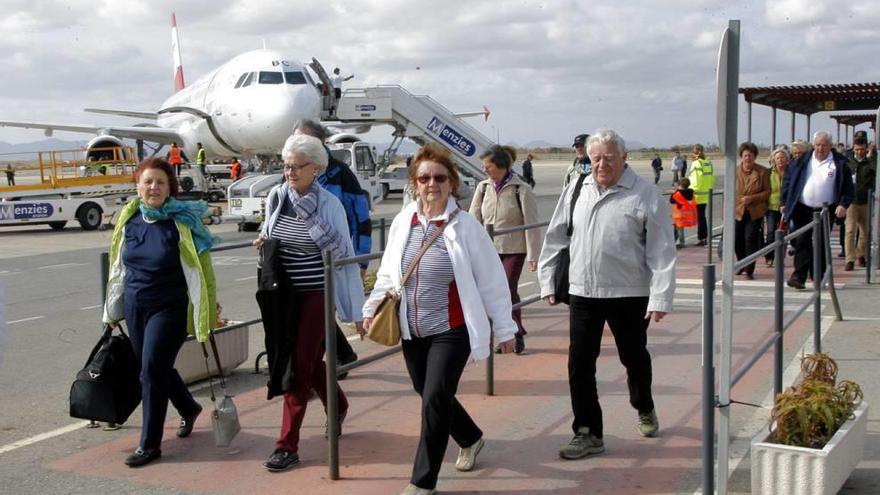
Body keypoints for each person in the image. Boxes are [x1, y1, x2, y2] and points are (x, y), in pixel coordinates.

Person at [362, 143, 516, 495]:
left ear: (452, 183)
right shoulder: (404, 221)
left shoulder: (466, 228)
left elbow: (492, 281)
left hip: (452, 329)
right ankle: (471, 437)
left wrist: (505, 328)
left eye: (440, 177)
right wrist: (371, 308)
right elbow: (388, 274)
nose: (432, 184)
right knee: (429, 392)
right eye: (425, 177)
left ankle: (422, 482)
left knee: (433, 398)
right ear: (415, 183)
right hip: (411, 329)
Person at [538, 129, 676, 460]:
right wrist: (547, 280)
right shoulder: (576, 189)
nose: (601, 164)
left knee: (634, 358)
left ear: (624, 159)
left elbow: (662, 251)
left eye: (609, 158)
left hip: (628, 293)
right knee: (579, 365)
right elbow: (556, 235)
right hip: (583, 291)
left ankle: (644, 405)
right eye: (595, 158)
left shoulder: (644, 195)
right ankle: (587, 431)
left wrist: (660, 297)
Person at [252, 134, 365, 472]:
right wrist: (264, 239)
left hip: (317, 294)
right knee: (309, 360)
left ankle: (287, 445)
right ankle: (339, 404)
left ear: (315, 168)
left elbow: (342, 254)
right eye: (285, 166)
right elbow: (271, 228)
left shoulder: (329, 205)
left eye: (297, 167)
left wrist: (354, 310)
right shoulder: (278, 196)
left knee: (297, 367)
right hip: (283, 293)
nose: (289, 172)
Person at [102, 157, 218, 467]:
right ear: (137, 186)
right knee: (153, 366)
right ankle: (188, 407)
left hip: (170, 306)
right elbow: (118, 265)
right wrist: (112, 309)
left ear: (170, 188)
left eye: (161, 182)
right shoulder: (129, 218)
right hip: (135, 304)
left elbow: (201, 269)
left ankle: (150, 445)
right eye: (148, 181)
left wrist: (209, 304)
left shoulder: (182, 222)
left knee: (151, 370)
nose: (154, 187)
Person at [294, 119, 371, 371]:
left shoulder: (340, 173)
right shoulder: (291, 172)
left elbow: (360, 217)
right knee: (314, 312)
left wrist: (360, 260)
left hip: (335, 257)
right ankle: (339, 357)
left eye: (304, 139)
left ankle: (326, 366)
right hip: (303, 260)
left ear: (320, 142)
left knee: (318, 312)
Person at [470, 145, 541, 354]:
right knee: (491, 292)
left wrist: (533, 255)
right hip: (488, 250)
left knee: (507, 289)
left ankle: (515, 335)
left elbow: (531, 224)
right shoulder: (482, 188)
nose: (485, 170)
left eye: (488, 166)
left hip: (513, 249)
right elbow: (473, 218)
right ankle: (503, 335)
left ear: (501, 166)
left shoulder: (521, 189)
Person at [781, 131, 854, 290]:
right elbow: (788, 181)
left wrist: (843, 204)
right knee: (802, 241)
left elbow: (848, 188)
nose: (820, 148)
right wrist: (784, 201)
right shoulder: (802, 161)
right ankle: (798, 277)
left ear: (830, 146)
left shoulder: (839, 164)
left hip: (825, 210)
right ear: (814, 145)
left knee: (820, 242)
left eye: (824, 145)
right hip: (802, 208)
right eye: (818, 145)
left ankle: (819, 276)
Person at [733, 142, 771, 280]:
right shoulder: (734, 171)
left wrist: (752, 198)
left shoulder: (762, 172)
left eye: (750, 155)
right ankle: (741, 262)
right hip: (737, 210)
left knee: (750, 238)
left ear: (755, 157)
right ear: (741, 157)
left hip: (754, 211)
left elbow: (767, 192)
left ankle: (749, 267)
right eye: (745, 155)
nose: (747, 158)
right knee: (737, 240)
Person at [844, 136, 876, 271]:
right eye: (857, 149)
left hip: (866, 201)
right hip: (852, 201)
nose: (859, 152)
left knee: (865, 231)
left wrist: (870, 156)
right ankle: (849, 259)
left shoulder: (871, 160)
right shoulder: (848, 160)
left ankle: (861, 254)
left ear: (866, 148)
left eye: (862, 149)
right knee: (850, 230)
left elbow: (876, 171)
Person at [765, 146, 790, 266]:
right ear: (773, 160)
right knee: (770, 232)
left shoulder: (790, 172)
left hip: (786, 208)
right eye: (778, 158)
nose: (780, 160)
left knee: (783, 233)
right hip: (771, 207)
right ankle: (769, 257)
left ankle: (780, 257)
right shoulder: (769, 173)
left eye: (782, 158)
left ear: (787, 159)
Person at [687, 144, 715, 246]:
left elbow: (695, 180)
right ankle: (704, 237)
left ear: (694, 153)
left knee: (700, 217)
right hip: (706, 193)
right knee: (702, 216)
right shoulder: (707, 163)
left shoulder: (696, 164)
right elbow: (712, 178)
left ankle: (702, 238)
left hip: (698, 194)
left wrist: (691, 191)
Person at [669, 178, 696, 249]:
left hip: (679, 214)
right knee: (677, 228)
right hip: (686, 214)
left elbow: (671, 200)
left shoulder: (678, 193)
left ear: (680, 185)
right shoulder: (691, 192)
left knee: (679, 229)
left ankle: (681, 242)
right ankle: (674, 241)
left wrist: (674, 192)